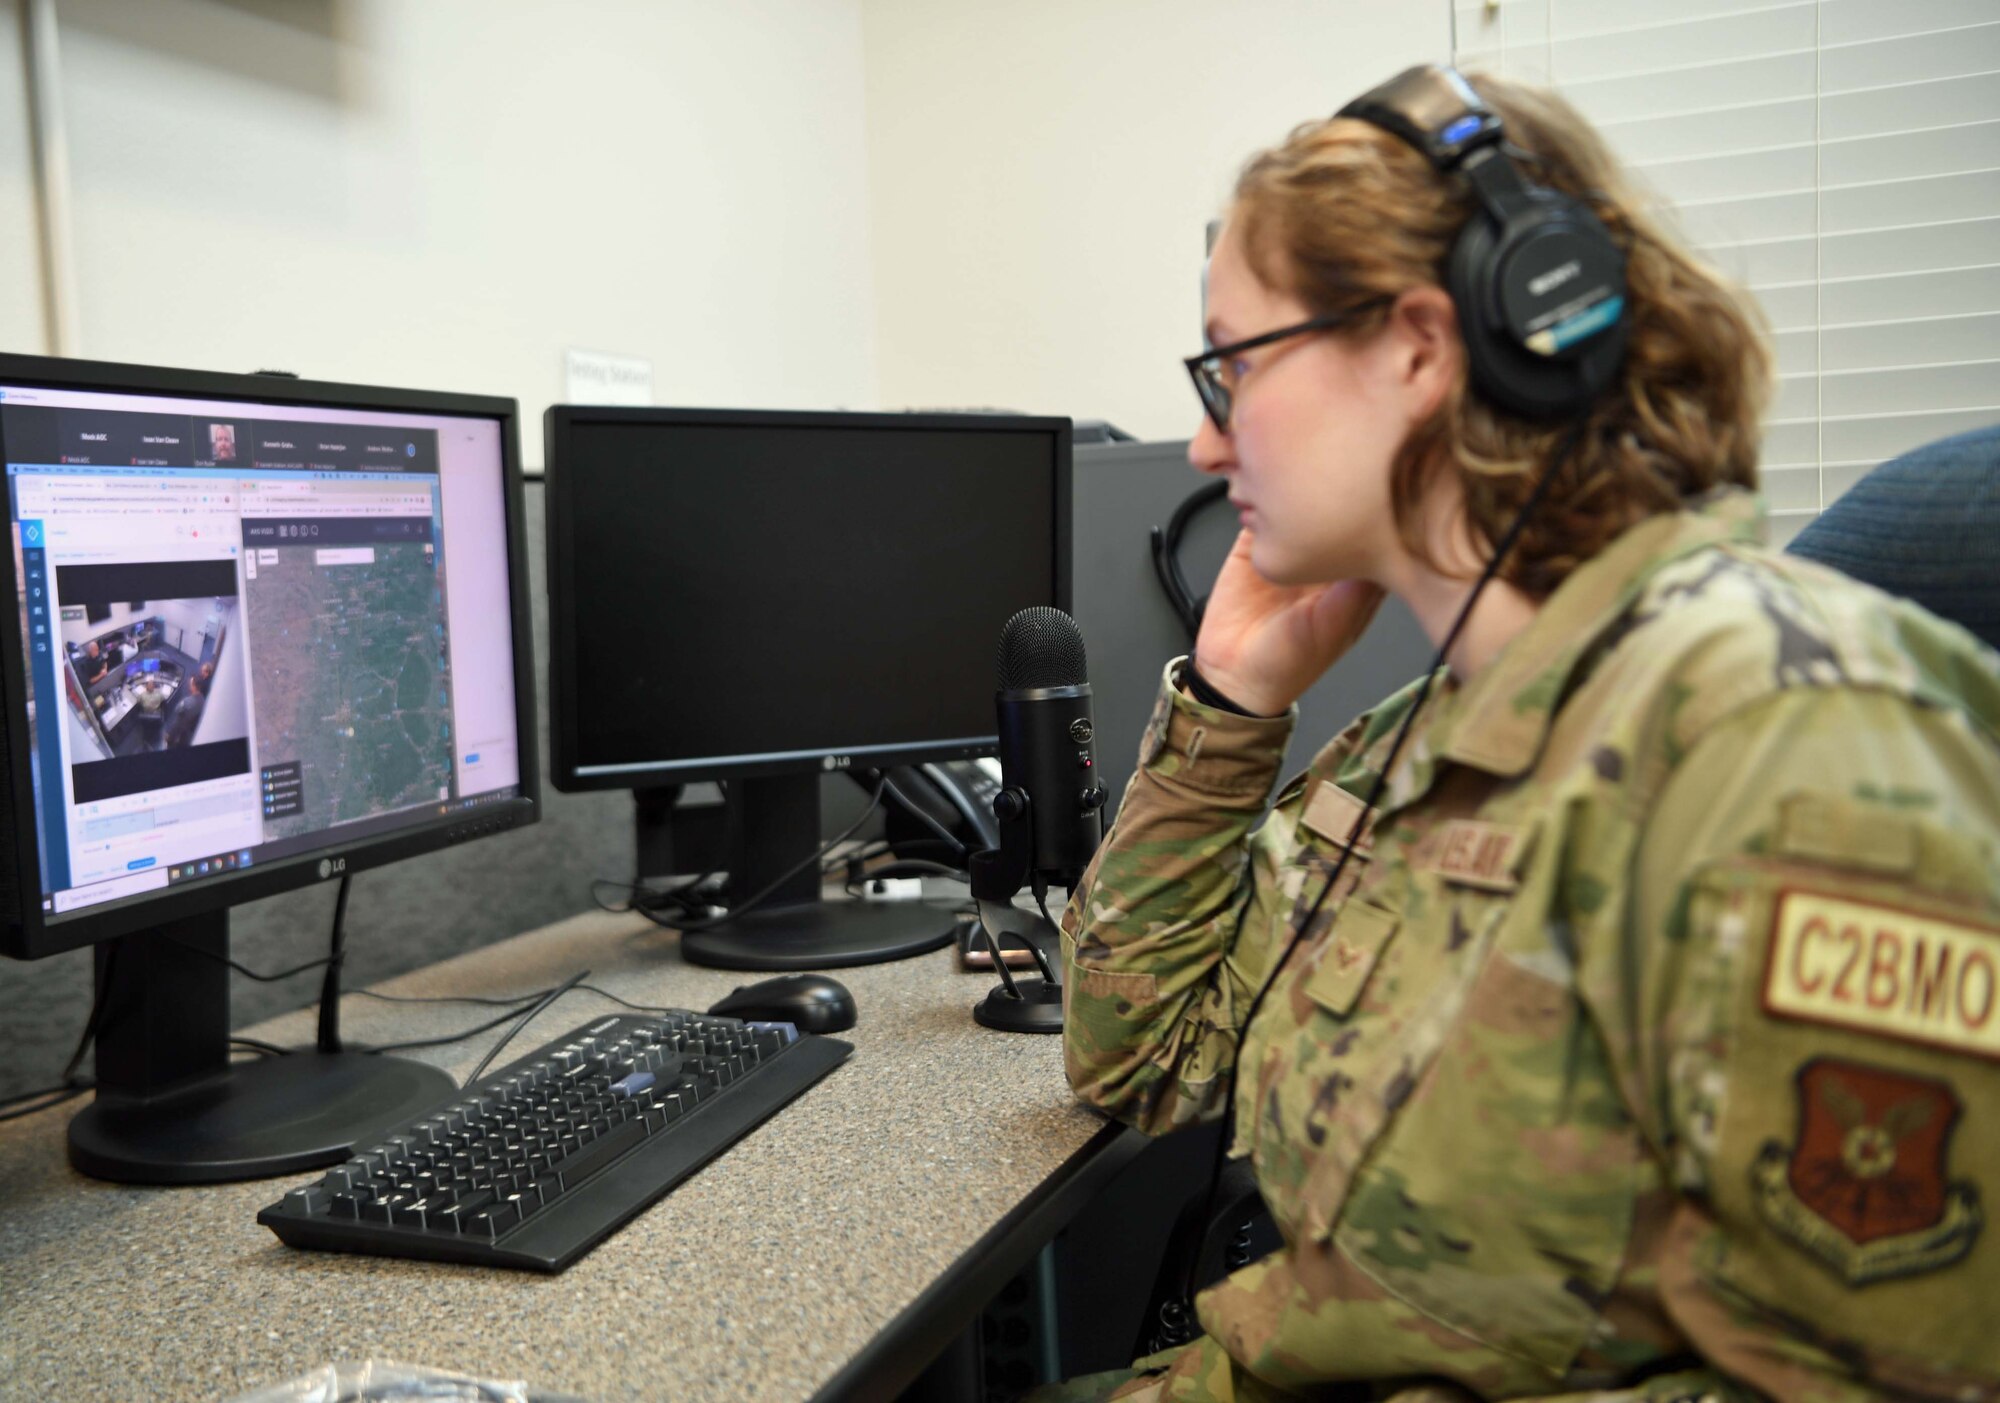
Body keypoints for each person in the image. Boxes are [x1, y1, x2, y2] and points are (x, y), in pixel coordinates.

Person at [1044, 66, 2000, 1402]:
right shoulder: (1428, 743)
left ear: (1427, 350)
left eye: (1233, 366)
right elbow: (1136, 1060)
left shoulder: (1784, 748)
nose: (1204, 445)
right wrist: (1231, 703)